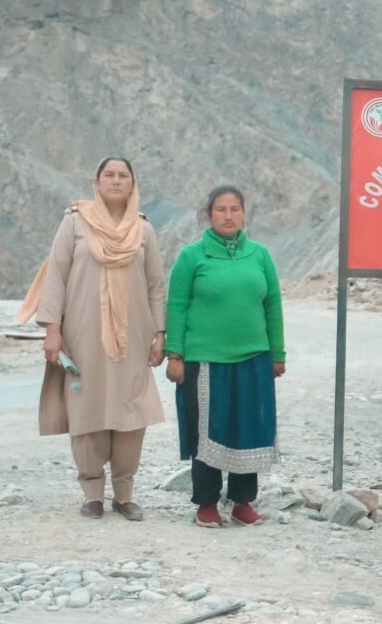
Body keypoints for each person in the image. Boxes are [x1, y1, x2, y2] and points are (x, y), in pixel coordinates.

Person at [17, 157, 166, 521]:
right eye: (109, 175)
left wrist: (159, 333)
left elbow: (156, 286)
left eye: (123, 176)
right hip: (82, 335)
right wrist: (52, 330)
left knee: (131, 410)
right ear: (96, 182)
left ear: (133, 184)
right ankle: (93, 495)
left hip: (132, 337)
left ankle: (125, 495)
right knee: (87, 408)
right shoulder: (74, 222)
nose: (116, 181)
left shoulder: (143, 230)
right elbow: (56, 277)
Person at [165, 185, 286, 528]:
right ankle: (206, 502)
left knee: (249, 427)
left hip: (254, 359)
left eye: (235, 209)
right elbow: (176, 306)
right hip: (204, 359)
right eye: (221, 209)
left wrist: (277, 353)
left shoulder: (260, 255)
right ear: (209, 214)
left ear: (244, 213)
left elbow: (273, 305)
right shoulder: (192, 256)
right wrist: (175, 354)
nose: (229, 215)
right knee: (207, 430)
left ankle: (242, 501)